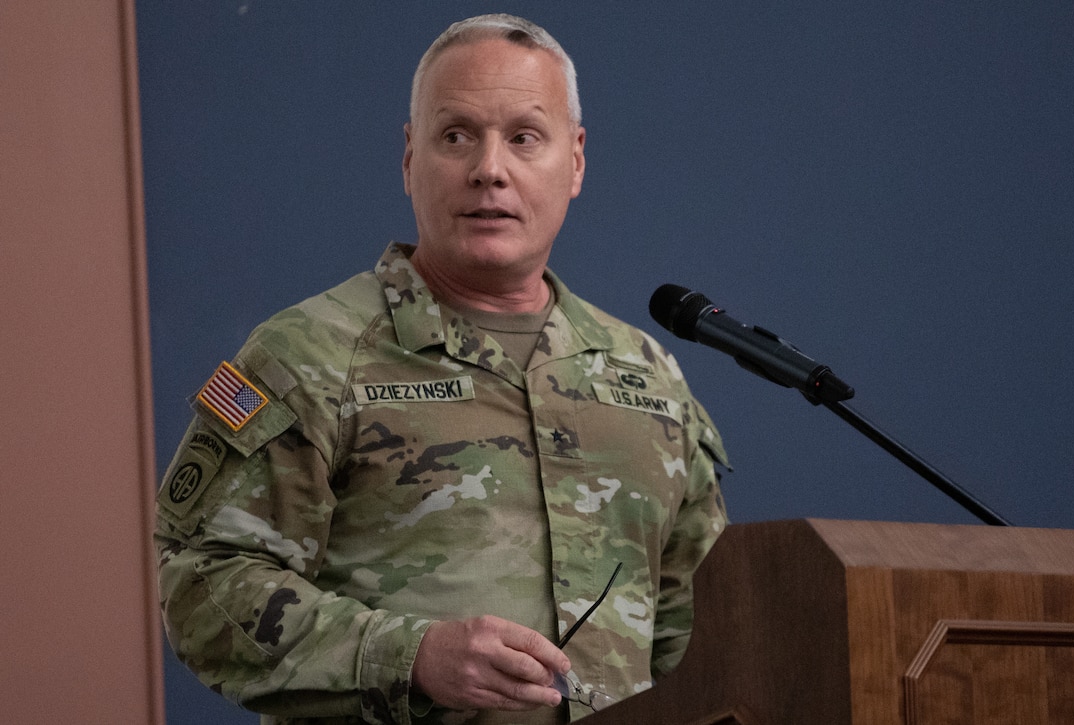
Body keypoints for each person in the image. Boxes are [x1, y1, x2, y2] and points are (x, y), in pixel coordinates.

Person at [155, 13, 728, 725]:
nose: (490, 168)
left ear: (575, 160)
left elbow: (700, 627)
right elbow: (200, 584)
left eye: (524, 137)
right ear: (408, 157)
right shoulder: (306, 355)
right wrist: (413, 657)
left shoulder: (649, 376)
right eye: (456, 135)